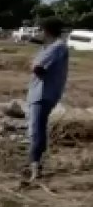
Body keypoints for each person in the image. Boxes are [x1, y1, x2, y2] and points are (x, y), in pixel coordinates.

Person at [27, 17, 70, 182]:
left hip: (42, 94)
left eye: (40, 30)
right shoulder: (52, 47)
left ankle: (35, 166)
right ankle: (36, 163)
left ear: (46, 31)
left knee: (36, 129)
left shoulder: (56, 47)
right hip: (44, 93)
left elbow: (38, 68)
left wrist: (33, 64)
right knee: (39, 128)